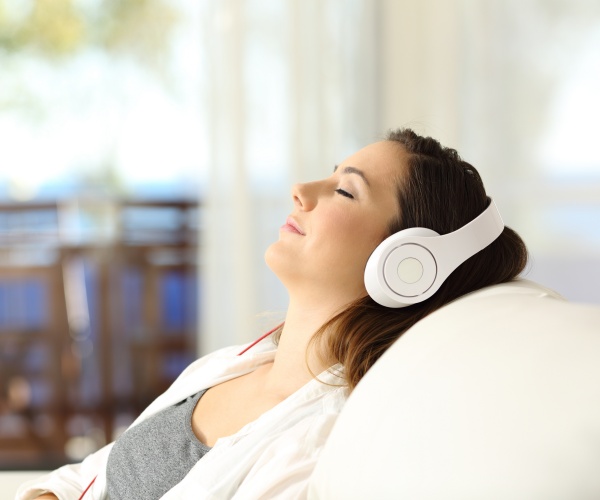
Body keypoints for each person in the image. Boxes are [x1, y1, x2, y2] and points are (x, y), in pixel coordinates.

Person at [18, 128, 528, 499]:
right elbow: (94, 473)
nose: (301, 191)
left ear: (406, 265)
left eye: (345, 190)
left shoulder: (324, 442)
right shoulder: (225, 367)